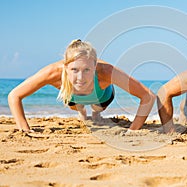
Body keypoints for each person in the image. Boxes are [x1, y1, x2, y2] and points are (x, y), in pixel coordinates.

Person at [8, 39, 156, 132]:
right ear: (66, 67)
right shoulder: (53, 72)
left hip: (101, 96)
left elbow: (148, 96)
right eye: (74, 70)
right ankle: (81, 111)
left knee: (98, 107)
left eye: (87, 70)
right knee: (75, 105)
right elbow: (14, 95)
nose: (80, 77)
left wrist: (133, 130)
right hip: (73, 97)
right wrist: (24, 129)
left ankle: (96, 113)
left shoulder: (106, 72)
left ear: (95, 66)